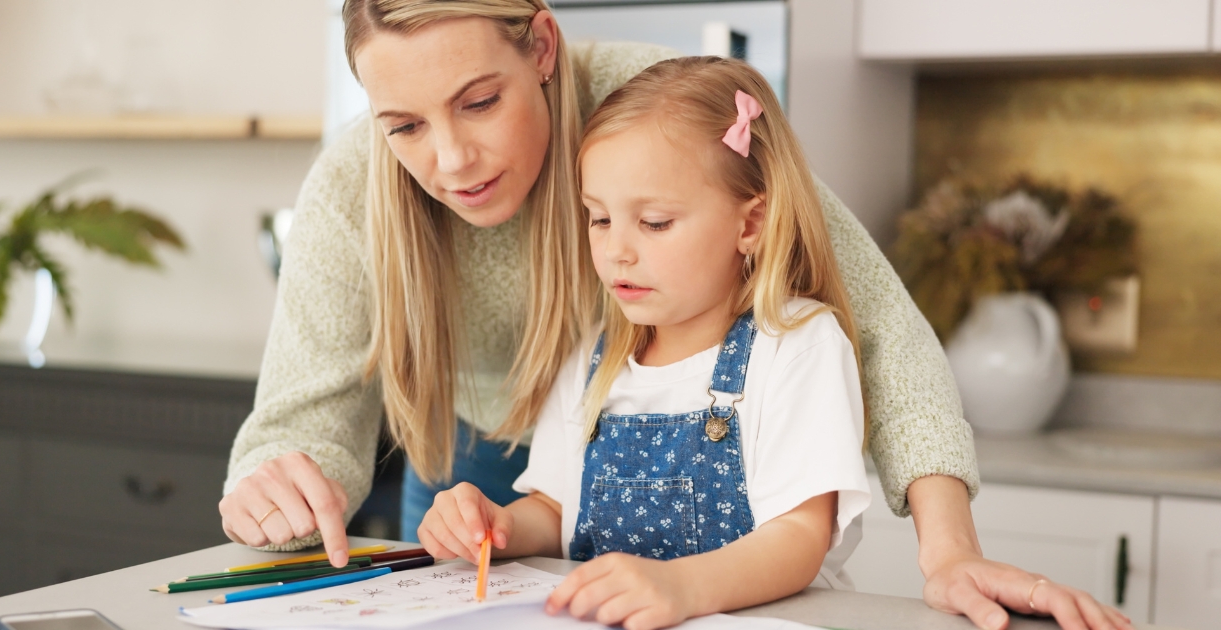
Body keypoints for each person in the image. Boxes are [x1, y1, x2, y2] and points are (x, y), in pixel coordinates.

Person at [218, 2, 1130, 629]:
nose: (451, 159)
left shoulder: (656, 115)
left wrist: (947, 552)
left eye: (481, 101)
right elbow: (305, 433)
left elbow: (877, 329)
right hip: (489, 462)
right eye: (403, 126)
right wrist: (278, 488)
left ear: (541, 47)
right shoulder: (354, 188)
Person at [420, 56, 871, 630]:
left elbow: (800, 537)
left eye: (654, 222)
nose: (616, 252)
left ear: (750, 223)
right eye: (599, 219)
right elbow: (557, 509)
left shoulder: (797, 344)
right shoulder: (594, 357)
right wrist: (494, 526)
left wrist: (679, 586)